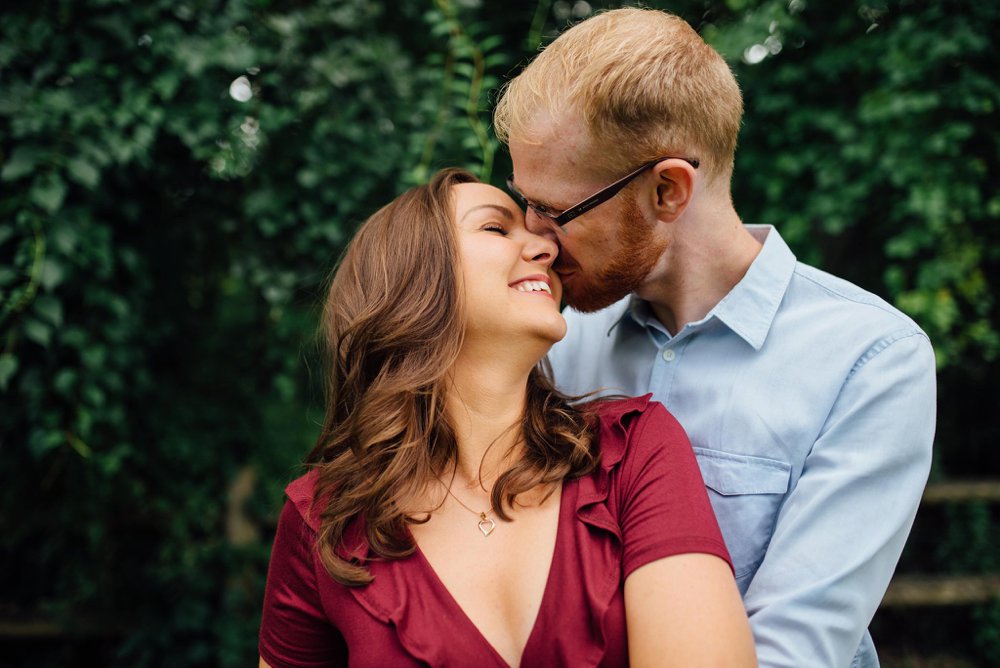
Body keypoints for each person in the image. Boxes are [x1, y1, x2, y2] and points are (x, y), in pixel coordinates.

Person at [494, 8, 936, 668]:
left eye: (554, 212)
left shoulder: (869, 361)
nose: (532, 236)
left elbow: (794, 653)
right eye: (521, 202)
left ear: (668, 190)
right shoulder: (553, 336)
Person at [258, 168, 757, 667]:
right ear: (412, 276)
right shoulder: (322, 521)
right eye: (497, 228)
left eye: (538, 234)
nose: (549, 250)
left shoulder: (633, 449)